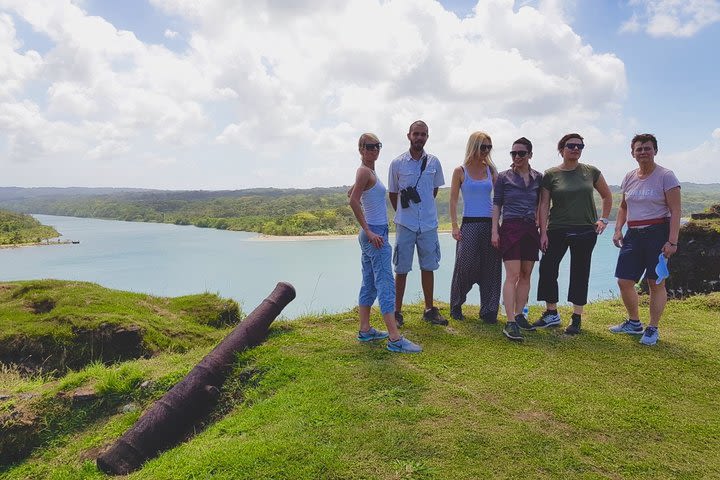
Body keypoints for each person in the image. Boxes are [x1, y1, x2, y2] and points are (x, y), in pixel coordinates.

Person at [349, 133, 422, 353]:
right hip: (375, 235)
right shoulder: (364, 171)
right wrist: (369, 231)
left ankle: (365, 329)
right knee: (386, 284)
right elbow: (353, 201)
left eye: (377, 146)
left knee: (370, 282)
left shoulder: (369, 172)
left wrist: (369, 232)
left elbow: (352, 194)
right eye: (369, 146)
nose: (374, 150)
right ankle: (394, 338)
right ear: (361, 148)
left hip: (374, 234)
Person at [533, 133, 612, 334]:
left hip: (585, 229)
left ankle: (576, 318)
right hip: (556, 229)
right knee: (548, 268)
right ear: (561, 149)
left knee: (580, 271)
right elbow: (543, 204)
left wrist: (603, 219)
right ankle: (551, 313)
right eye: (571, 145)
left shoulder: (591, 171)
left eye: (580, 146)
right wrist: (542, 232)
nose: (576, 149)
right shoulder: (550, 174)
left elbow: (606, 195)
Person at [609, 133, 681, 346]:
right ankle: (634, 322)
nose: (643, 152)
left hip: (658, 231)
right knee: (624, 280)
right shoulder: (629, 177)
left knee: (655, 281)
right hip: (633, 233)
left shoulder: (666, 176)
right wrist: (617, 229)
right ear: (632, 153)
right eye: (638, 149)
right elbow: (623, 206)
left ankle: (652, 328)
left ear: (655, 151)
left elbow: (676, 211)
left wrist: (672, 241)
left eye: (647, 148)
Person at [388, 120, 447, 326]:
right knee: (401, 268)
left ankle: (429, 309)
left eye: (423, 134)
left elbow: (434, 190)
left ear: (427, 137)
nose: (419, 137)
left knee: (428, 266)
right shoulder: (397, 163)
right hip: (405, 223)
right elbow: (393, 193)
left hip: (428, 224)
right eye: (416, 134)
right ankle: (397, 312)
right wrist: (406, 213)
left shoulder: (434, 162)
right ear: (409, 136)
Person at [491, 137, 543, 341]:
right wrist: (494, 231)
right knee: (512, 275)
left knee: (526, 274)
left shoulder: (539, 177)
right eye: (513, 153)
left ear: (530, 154)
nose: (517, 157)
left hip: (530, 227)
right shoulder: (504, 177)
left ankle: (520, 314)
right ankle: (510, 321)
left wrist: (542, 228)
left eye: (521, 153)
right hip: (511, 227)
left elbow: (542, 203)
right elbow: (497, 205)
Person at [449, 131, 501, 323]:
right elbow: (453, 200)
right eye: (482, 147)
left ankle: (489, 310)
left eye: (489, 147)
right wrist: (454, 226)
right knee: (465, 266)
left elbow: (498, 200)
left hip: (489, 223)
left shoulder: (491, 170)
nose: (486, 151)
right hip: (469, 223)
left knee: (491, 268)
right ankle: (456, 305)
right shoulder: (460, 171)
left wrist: (497, 227)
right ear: (473, 146)